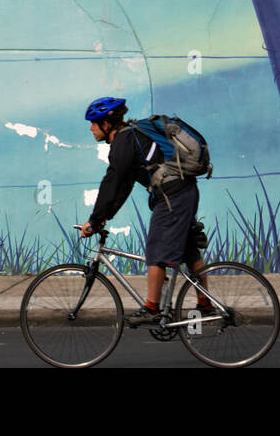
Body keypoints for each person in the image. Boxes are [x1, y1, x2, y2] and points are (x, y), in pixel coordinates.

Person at [79, 96, 211, 327]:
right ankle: (205, 304)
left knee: (156, 248)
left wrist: (95, 219)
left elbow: (113, 182)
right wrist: (103, 218)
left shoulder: (123, 141)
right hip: (181, 191)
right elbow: (123, 186)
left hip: (172, 196)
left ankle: (152, 308)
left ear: (106, 124)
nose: (91, 128)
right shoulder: (131, 138)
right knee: (188, 250)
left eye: (93, 123)